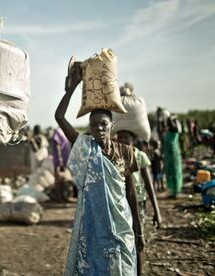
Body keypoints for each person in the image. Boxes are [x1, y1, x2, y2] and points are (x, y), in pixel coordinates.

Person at [56, 62, 144, 276]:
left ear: (112, 125)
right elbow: (59, 117)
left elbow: (130, 192)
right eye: (94, 125)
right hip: (95, 226)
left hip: (122, 223)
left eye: (103, 124)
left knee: (123, 267)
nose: (99, 128)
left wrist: (138, 230)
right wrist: (73, 88)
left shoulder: (126, 152)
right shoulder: (85, 147)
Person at [117, 131, 162, 228]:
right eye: (120, 137)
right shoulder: (114, 156)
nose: (122, 140)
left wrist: (156, 211)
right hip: (120, 201)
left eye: (126, 137)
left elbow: (149, 185)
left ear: (133, 139)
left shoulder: (140, 156)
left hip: (138, 200)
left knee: (138, 229)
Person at [51, 127, 74, 201]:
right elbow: (57, 146)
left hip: (64, 160)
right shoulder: (57, 131)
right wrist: (60, 160)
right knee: (58, 180)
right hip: (59, 161)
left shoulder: (64, 131)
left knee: (63, 180)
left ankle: (64, 197)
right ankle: (59, 197)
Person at [164, 116, 183, 198]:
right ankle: (171, 191)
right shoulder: (169, 130)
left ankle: (175, 192)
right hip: (169, 155)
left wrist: (171, 118)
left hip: (174, 155)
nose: (168, 123)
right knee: (169, 173)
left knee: (175, 173)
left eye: (170, 122)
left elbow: (170, 121)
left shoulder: (174, 129)